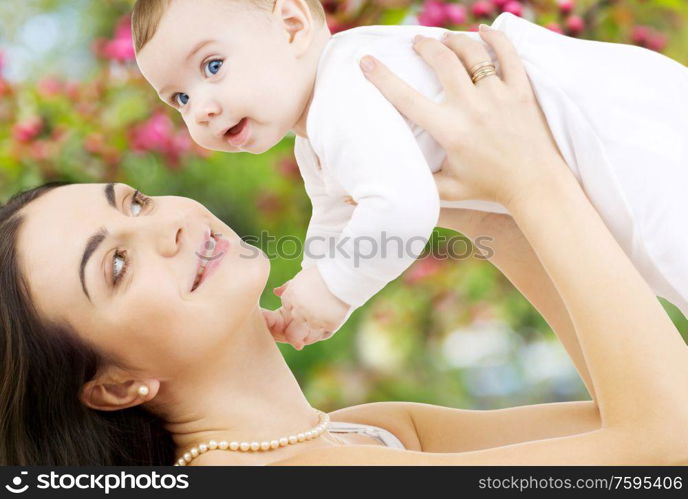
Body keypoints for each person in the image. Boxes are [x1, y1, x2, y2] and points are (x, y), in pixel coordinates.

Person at [1, 27, 686, 466]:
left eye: (137, 202)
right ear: (117, 384)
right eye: (116, 265)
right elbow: (664, 450)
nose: (166, 226)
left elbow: (636, 417)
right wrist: (533, 173)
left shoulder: (355, 434)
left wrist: (487, 199)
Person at [131, 0, 688, 350]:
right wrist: (314, 296)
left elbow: (401, 209)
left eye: (211, 67)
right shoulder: (316, 129)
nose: (200, 106)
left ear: (293, 26)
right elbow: (337, 215)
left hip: (618, 139)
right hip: (607, 137)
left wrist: (332, 287)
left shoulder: (346, 85)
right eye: (179, 97)